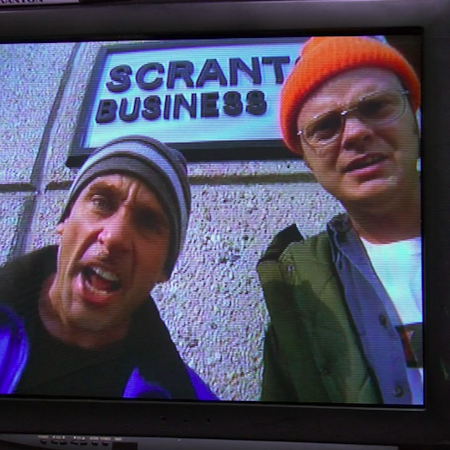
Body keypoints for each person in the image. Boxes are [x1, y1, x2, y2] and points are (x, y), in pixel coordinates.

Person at [257, 36, 422, 405]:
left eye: (375, 107)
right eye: (326, 126)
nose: (356, 133)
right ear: (308, 161)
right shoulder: (295, 288)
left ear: (414, 120)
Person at [0, 135, 216, 400]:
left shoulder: (184, 400)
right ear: (65, 220)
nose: (114, 237)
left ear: (165, 268)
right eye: (101, 202)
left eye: (148, 222)